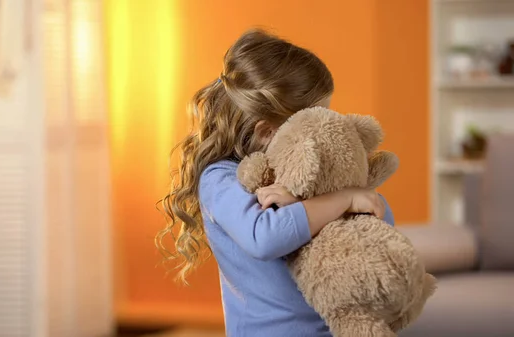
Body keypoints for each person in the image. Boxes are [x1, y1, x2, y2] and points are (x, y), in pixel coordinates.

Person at [156, 29, 394, 337]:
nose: (328, 125)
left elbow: (378, 225)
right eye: (317, 116)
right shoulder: (220, 179)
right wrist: (343, 200)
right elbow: (264, 237)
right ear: (267, 132)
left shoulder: (306, 174)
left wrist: (351, 200)